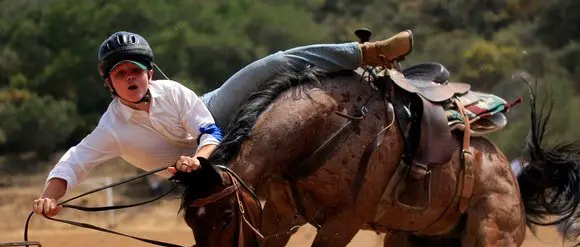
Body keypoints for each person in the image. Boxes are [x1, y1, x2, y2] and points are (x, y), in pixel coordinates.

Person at [32, 30, 413, 217]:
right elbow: (76, 160)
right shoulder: (111, 128)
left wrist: (199, 158)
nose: (130, 78)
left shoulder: (175, 92)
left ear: (149, 72)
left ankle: (367, 53)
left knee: (274, 64)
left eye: (136, 70)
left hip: (214, 112)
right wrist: (52, 195)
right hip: (190, 171)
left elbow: (210, 130)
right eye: (120, 74)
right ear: (109, 82)